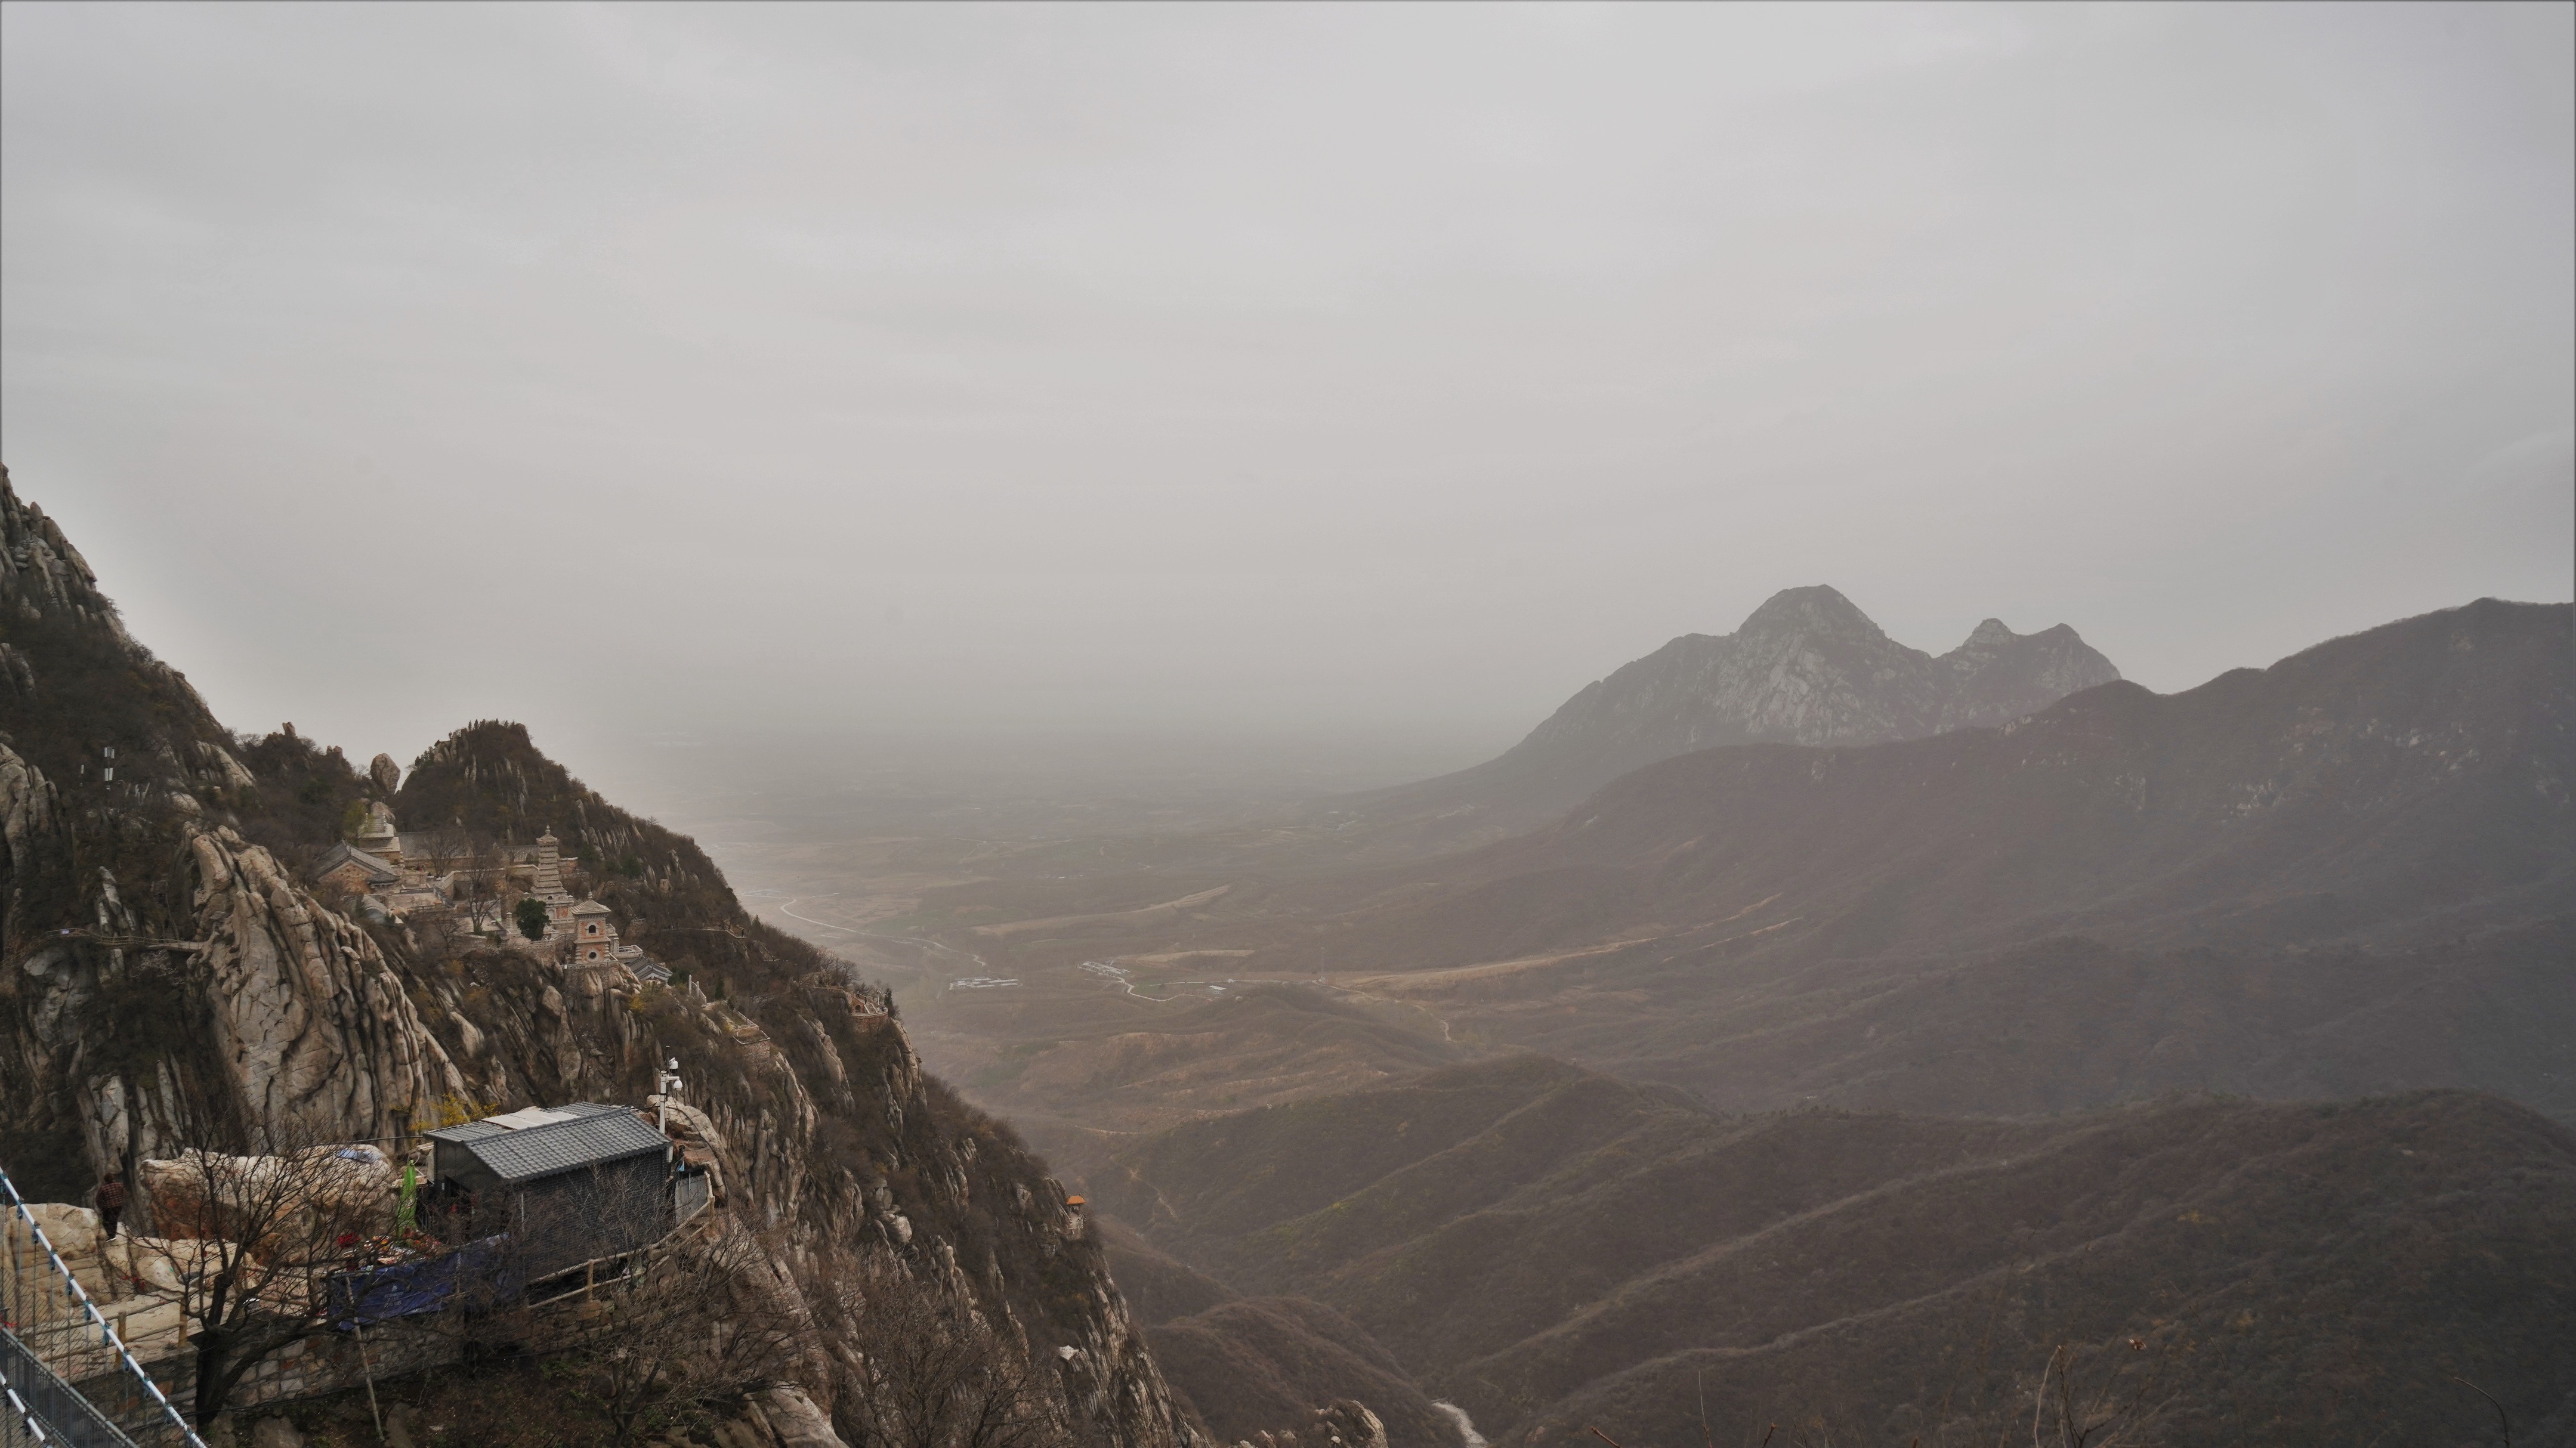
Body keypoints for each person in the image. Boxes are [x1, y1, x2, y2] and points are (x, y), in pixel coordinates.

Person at [95, 1169, 128, 1239]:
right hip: (119, 1205)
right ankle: (112, 1234)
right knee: (114, 1219)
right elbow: (125, 1193)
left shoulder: (104, 1188)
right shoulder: (119, 1185)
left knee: (106, 1221)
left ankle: (111, 1235)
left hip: (108, 1207)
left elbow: (98, 1198)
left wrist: (102, 1207)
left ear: (105, 1180)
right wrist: (121, 1200)